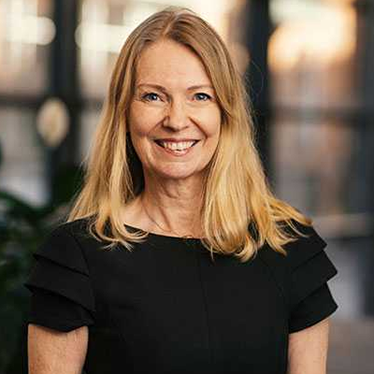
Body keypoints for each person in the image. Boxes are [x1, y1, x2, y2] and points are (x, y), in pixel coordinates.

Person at [25, 6, 338, 374]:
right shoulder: (75, 259)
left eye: (200, 96)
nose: (175, 120)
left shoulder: (292, 249)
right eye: (153, 96)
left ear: (226, 112)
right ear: (125, 114)